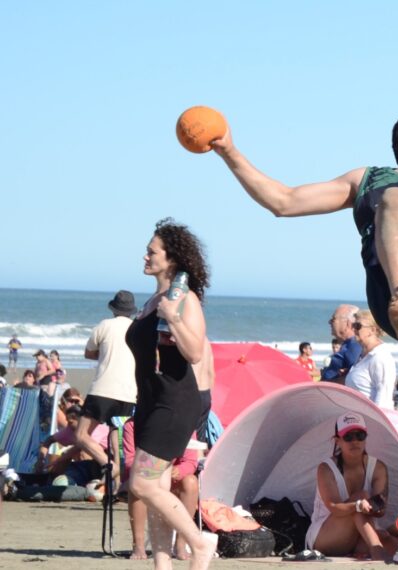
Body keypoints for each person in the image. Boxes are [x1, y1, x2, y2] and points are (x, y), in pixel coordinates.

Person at [212, 77, 398, 345]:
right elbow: (284, 201)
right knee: (394, 196)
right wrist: (229, 151)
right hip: (392, 305)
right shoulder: (367, 179)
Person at [125, 218, 216, 569]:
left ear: (172, 258)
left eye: (152, 251)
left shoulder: (184, 299)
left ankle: (199, 542)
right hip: (149, 401)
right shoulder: (156, 299)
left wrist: (174, 320)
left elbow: (194, 351)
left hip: (174, 403)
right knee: (157, 489)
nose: (145, 256)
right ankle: (162, 566)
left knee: (143, 486)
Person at [306, 412, 396, 561]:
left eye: (360, 436)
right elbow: (335, 507)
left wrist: (373, 506)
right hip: (323, 538)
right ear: (337, 441)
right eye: (348, 436)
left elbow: (381, 511)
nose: (355, 441)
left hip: (357, 536)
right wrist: (360, 505)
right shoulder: (326, 468)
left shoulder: (378, 467)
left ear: (366, 438)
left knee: (388, 538)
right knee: (361, 497)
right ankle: (376, 550)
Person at [77, 290, 138, 478]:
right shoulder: (137, 329)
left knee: (81, 435)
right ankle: (117, 485)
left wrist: (104, 354)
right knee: (116, 440)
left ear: (113, 309)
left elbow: (89, 353)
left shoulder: (105, 325)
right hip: (129, 393)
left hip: (103, 389)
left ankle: (107, 464)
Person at [122, 418, 200, 561]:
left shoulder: (185, 423)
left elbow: (190, 462)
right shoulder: (132, 425)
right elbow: (129, 461)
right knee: (137, 485)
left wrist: (179, 470)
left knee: (191, 482)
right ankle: (138, 545)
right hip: (144, 474)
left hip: (173, 477)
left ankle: (181, 544)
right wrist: (158, 468)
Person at [35, 404, 111, 486]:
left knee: (82, 453)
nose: (68, 424)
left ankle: (93, 481)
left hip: (109, 459)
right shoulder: (70, 429)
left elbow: (81, 447)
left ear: (81, 420)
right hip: (90, 463)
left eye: (71, 421)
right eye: (67, 421)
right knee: (65, 459)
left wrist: (58, 460)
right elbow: (49, 440)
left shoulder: (95, 428)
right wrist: (41, 459)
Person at [345, 310, 397, 409]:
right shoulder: (364, 354)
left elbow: (383, 397)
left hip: (371, 420)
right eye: (353, 325)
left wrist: (375, 422)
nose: (353, 329)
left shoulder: (380, 357)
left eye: (357, 326)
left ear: (372, 330)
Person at [321, 304, 362, 384]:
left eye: (333, 319)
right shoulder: (349, 344)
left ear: (348, 323)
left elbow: (355, 378)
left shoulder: (354, 345)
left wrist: (329, 384)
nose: (329, 322)